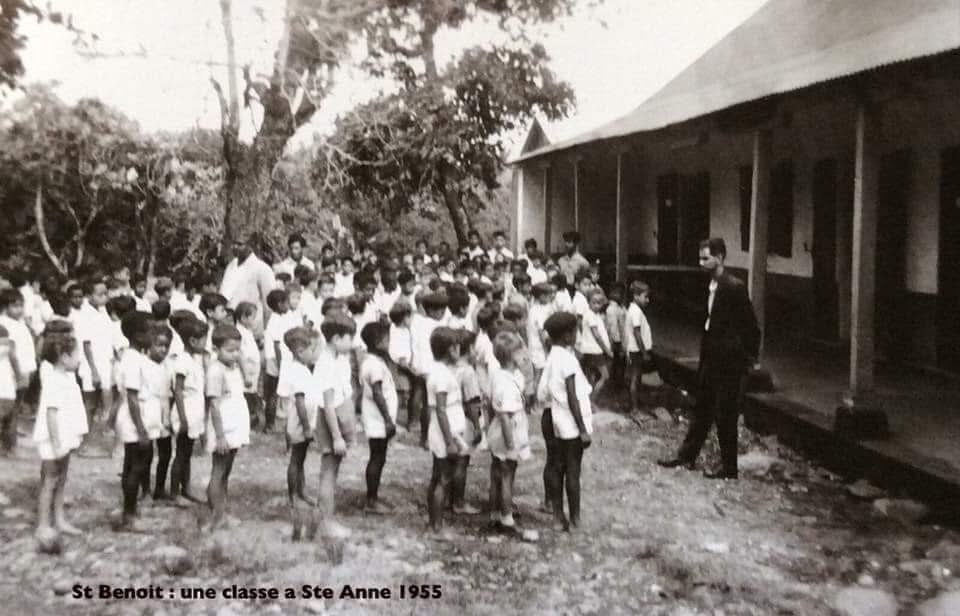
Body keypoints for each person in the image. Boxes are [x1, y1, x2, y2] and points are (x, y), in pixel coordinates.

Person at [658, 238, 760, 480]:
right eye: (700, 258)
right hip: (711, 358)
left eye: (706, 258)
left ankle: (729, 468)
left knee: (726, 414)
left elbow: (750, 327)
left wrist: (747, 358)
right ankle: (687, 456)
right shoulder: (711, 285)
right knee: (702, 408)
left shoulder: (734, 287)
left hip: (729, 362)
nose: (701, 262)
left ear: (720, 257)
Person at [33, 328, 87, 543]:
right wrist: (56, 442)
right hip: (53, 438)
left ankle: (59, 519)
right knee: (49, 480)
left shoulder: (68, 378)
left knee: (61, 479)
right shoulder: (54, 380)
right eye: (76, 354)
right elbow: (51, 413)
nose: (79, 359)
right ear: (64, 357)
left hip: (65, 434)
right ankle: (43, 524)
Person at [540, 312, 592, 531]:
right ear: (568, 335)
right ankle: (575, 518)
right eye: (576, 331)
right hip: (569, 423)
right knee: (572, 471)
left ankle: (557, 516)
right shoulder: (568, 360)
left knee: (555, 467)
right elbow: (572, 396)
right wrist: (583, 429)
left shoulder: (552, 356)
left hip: (553, 418)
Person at [312, 313, 357, 540]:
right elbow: (328, 404)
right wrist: (337, 436)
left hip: (339, 416)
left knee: (332, 470)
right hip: (331, 421)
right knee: (329, 472)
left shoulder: (338, 358)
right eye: (350, 338)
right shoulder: (326, 364)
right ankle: (326, 523)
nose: (353, 343)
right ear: (337, 338)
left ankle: (321, 517)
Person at [114, 311, 158, 531]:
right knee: (135, 466)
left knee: (137, 463)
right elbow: (132, 397)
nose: (154, 335)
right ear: (138, 335)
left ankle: (130, 509)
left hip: (142, 417)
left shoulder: (138, 358)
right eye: (151, 331)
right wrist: (141, 429)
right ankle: (128, 514)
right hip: (135, 420)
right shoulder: (131, 360)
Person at [204, 324, 251, 531]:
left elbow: (245, 382)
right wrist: (220, 436)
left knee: (226, 471)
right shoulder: (216, 371)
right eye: (230, 350)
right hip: (223, 427)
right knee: (219, 470)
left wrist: (241, 363)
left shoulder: (232, 367)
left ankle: (221, 511)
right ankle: (216, 516)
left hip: (234, 424)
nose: (235, 355)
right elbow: (214, 405)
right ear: (216, 349)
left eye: (238, 350)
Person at [425, 327, 470, 537]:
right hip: (446, 433)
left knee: (438, 476)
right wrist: (450, 441)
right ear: (450, 350)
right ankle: (437, 526)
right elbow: (441, 410)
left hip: (445, 430)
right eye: (456, 347)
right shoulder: (442, 376)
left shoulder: (438, 371)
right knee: (443, 478)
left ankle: (434, 521)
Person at [487, 331, 531, 532]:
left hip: (500, 429)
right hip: (507, 432)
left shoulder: (501, 374)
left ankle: (495, 511)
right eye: (521, 351)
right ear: (512, 356)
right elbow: (505, 416)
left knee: (497, 471)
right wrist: (511, 445)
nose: (525, 354)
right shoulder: (506, 384)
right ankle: (506, 518)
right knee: (507, 474)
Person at [281, 326, 322, 540]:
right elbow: (299, 402)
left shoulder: (303, 369)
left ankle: (301, 490)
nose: (314, 354)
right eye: (311, 350)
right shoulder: (296, 371)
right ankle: (293, 495)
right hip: (299, 423)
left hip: (304, 422)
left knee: (301, 458)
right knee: (296, 459)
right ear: (299, 351)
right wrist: (306, 427)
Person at [359, 321, 398, 515]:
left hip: (377, 417)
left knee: (379, 457)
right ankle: (371, 499)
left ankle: (373, 496)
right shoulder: (374, 365)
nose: (389, 342)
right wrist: (388, 420)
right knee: (377, 457)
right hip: (378, 419)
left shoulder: (375, 361)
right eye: (387, 339)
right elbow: (377, 393)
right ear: (377, 342)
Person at [169, 317, 208, 507]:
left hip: (194, 411)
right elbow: (177, 390)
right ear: (193, 341)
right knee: (181, 453)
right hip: (185, 411)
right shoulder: (182, 361)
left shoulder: (195, 360)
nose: (205, 344)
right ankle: (175, 492)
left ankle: (186, 488)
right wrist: (183, 418)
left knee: (187, 453)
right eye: (203, 340)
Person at [0, 288, 37, 453]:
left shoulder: (21, 325)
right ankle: (8, 443)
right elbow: (12, 353)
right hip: (11, 374)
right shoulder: (5, 325)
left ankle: (10, 443)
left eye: (22, 305)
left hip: (24, 371)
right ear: (5, 307)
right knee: (9, 409)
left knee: (15, 409)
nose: (20, 309)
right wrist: (20, 374)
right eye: (15, 306)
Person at [409, 292, 448, 445]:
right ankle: (428, 437)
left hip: (419, 366)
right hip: (431, 367)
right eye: (440, 310)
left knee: (422, 399)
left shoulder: (418, 322)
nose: (443, 313)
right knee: (431, 404)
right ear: (431, 310)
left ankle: (423, 435)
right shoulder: (437, 327)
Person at [219, 234, 276, 336]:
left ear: (251, 246)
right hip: (230, 324)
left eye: (240, 244)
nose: (235, 247)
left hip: (252, 326)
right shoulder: (231, 265)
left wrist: (267, 332)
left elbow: (269, 304)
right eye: (234, 244)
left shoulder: (262, 269)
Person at [144, 324, 173, 502]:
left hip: (163, 411)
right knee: (146, 454)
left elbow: (166, 394)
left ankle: (160, 488)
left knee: (166, 452)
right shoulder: (144, 366)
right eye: (159, 345)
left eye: (166, 346)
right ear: (150, 344)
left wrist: (167, 417)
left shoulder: (167, 366)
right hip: (149, 412)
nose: (163, 349)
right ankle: (145, 489)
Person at [624, 281, 653, 415]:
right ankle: (634, 408)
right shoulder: (636, 312)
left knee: (637, 377)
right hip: (636, 350)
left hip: (635, 350)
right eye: (645, 297)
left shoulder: (635, 310)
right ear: (636, 296)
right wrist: (644, 352)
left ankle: (635, 404)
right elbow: (637, 333)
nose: (647, 300)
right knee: (635, 378)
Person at [580, 288, 613, 395]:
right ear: (588, 302)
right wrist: (607, 350)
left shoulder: (596, 315)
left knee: (592, 376)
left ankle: (589, 398)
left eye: (599, 303)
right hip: (594, 350)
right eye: (594, 302)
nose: (597, 305)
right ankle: (592, 399)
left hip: (592, 350)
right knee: (605, 376)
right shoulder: (590, 315)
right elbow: (597, 336)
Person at [235, 302, 262, 429]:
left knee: (252, 396)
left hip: (252, 372)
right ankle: (247, 422)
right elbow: (240, 355)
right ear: (243, 318)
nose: (255, 321)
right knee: (247, 398)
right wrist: (246, 375)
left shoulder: (247, 331)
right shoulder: (239, 333)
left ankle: (251, 420)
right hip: (245, 373)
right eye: (253, 317)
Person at [605, 283, 626, 387]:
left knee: (617, 363)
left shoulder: (619, 307)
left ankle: (616, 383)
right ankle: (616, 384)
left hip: (619, 339)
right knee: (618, 363)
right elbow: (613, 328)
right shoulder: (612, 309)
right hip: (617, 340)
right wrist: (614, 342)